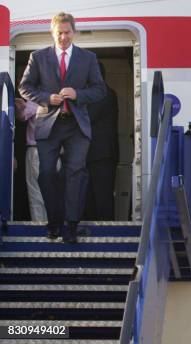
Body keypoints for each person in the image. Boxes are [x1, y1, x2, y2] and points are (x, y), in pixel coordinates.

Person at [19, 12, 106, 243]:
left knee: (75, 173)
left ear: (74, 32)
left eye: (68, 33)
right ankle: (54, 222)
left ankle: (72, 226)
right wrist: (47, 98)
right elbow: (24, 88)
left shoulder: (88, 58)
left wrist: (78, 94)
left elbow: (100, 90)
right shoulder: (38, 57)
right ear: (52, 32)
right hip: (48, 124)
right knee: (47, 174)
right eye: (60, 33)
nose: (64, 37)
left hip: (76, 125)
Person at [85, 62, 119, 221]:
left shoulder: (104, 93)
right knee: (90, 198)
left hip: (101, 155)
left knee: (102, 198)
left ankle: (107, 233)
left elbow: (88, 117)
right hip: (94, 155)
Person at [15, 98, 48, 221]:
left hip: (36, 151)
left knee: (35, 193)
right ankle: (53, 226)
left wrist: (18, 104)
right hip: (55, 152)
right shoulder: (57, 98)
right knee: (52, 192)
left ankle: (40, 228)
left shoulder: (35, 100)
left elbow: (21, 116)